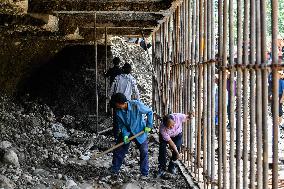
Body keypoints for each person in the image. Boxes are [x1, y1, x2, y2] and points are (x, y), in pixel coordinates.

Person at [109, 93, 153, 178]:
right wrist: (125, 135)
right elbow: (122, 125)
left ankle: (144, 173)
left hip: (140, 131)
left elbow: (149, 112)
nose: (115, 105)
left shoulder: (136, 105)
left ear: (120, 102)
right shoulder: (118, 111)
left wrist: (149, 125)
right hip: (128, 132)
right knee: (118, 150)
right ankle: (115, 169)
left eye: (116, 103)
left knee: (144, 151)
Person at [157, 112, 193, 177]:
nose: (172, 127)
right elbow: (171, 143)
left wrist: (190, 116)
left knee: (178, 147)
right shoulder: (162, 128)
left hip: (177, 134)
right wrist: (177, 153)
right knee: (162, 149)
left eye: (173, 124)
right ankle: (161, 168)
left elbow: (187, 117)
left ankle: (172, 166)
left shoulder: (178, 117)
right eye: (169, 127)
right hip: (167, 137)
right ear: (165, 125)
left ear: (174, 120)